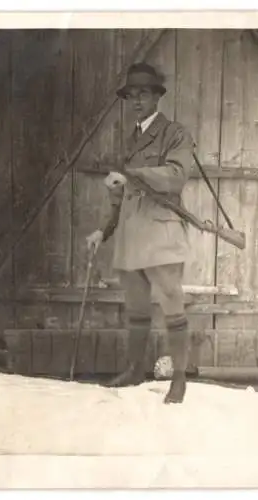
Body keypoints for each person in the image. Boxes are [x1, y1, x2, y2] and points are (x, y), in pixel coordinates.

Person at [86, 62, 195, 404]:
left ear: (157, 97)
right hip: (131, 238)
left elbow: (176, 175)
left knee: (172, 307)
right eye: (130, 96)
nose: (136, 101)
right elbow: (120, 197)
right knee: (136, 310)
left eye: (143, 94)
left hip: (161, 235)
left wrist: (130, 173)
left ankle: (178, 380)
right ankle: (135, 370)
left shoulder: (174, 133)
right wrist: (102, 231)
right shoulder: (131, 139)